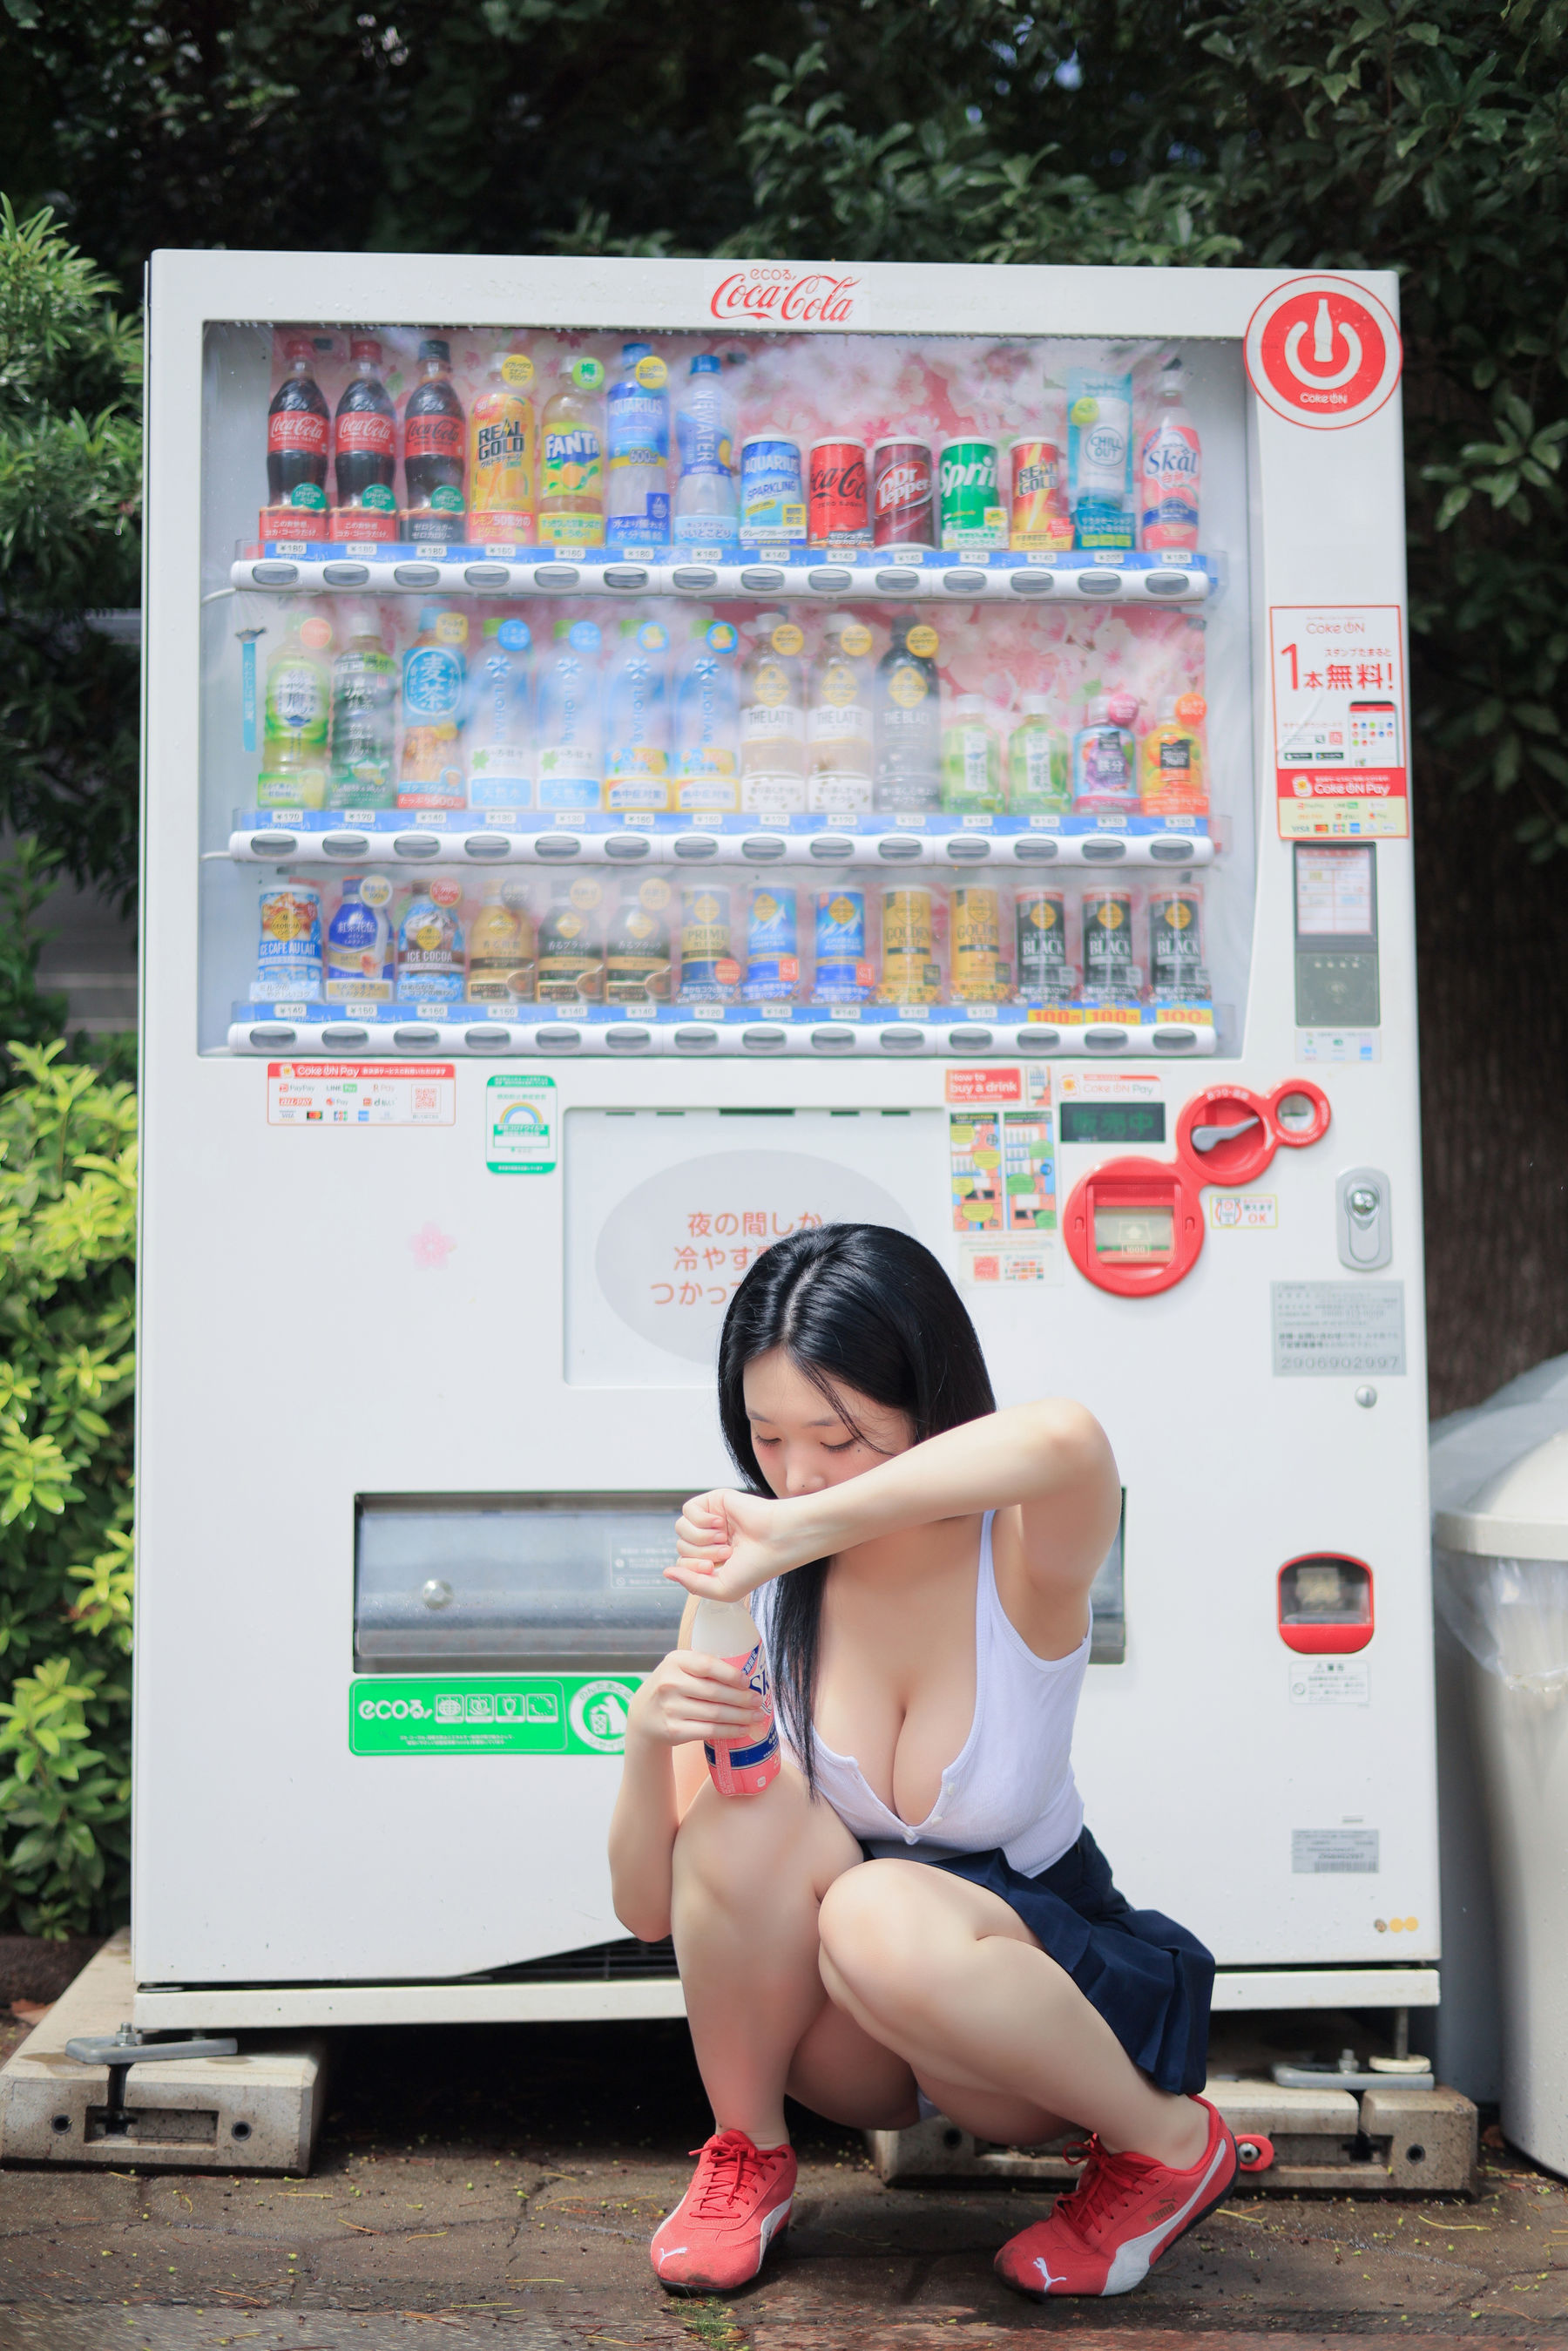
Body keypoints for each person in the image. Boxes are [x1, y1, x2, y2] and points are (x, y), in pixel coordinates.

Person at [607, 1222, 1234, 2301]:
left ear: (927, 1404)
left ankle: (1166, 2145)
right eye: (766, 1436)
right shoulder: (752, 1584)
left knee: (872, 1909)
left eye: (839, 1436)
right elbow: (650, 1911)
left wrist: (805, 1525)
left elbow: (1070, 1438)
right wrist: (642, 1741)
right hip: (855, 2034)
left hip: (1031, 2021)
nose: (795, 1473)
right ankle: (746, 2153)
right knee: (746, 1811)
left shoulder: (1020, 1552)